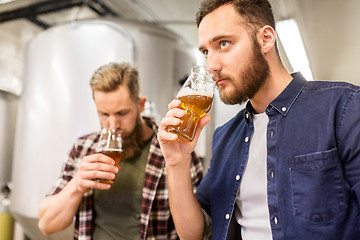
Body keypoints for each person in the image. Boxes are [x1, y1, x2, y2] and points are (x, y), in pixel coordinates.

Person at [157, 0, 360, 239]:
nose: (211, 65)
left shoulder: (343, 107)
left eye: (223, 43)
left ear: (265, 39)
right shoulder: (225, 137)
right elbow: (195, 233)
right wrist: (177, 163)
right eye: (205, 51)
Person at [38, 62, 203, 240]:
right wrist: (77, 185)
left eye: (122, 113)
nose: (113, 125)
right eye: (104, 114)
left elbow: (198, 233)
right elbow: (46, 225)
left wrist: (177, 164)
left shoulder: (174, 150)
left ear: (140, 105)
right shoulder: (83, 148)